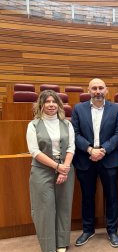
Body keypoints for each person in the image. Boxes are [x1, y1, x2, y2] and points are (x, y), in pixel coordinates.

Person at [71, 78, 118, 248]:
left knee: (111, 196)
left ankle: (112, 230)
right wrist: (89, 150)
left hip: (108, 159)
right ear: (88, 91)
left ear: (106, 90)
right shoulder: (78, 109)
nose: (97, 91)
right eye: (94, 88)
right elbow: (75, 133)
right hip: (85, 159)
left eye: (101, 88)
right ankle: (88, 229)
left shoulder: (116, 108)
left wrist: (103, 150)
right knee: (87, 196)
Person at [26, 90, 75, 252]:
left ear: (59, 105)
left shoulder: (67, 124)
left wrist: (64, 169)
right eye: (47, 102)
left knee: (63, 206)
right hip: (42, 171)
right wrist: (57, 167)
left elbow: (71, 147)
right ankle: (48, 246)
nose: (51, 105)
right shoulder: (33, 125)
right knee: (44, 209)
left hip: (65, 169)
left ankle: (61, 242)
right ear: (41, 104)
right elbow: (34, 151)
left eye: (54, 102)